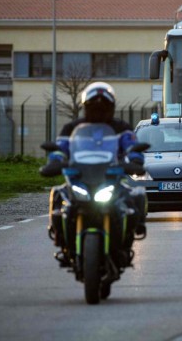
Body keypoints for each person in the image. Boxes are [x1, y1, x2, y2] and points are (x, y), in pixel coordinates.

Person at [42, 82, 146, 267]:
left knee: (134, 199)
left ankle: (126, 242)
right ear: (86, 107)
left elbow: (131, 146)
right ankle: (61, 241)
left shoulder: (121, 128)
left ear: (111, 108)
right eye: (94, 106)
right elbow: (61, 149)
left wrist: (135, 160)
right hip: (79, 177)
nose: (99, 110)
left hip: (110, 178)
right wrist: (55, 161)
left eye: (104, 106)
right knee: (59, 196)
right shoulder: (71, 128)